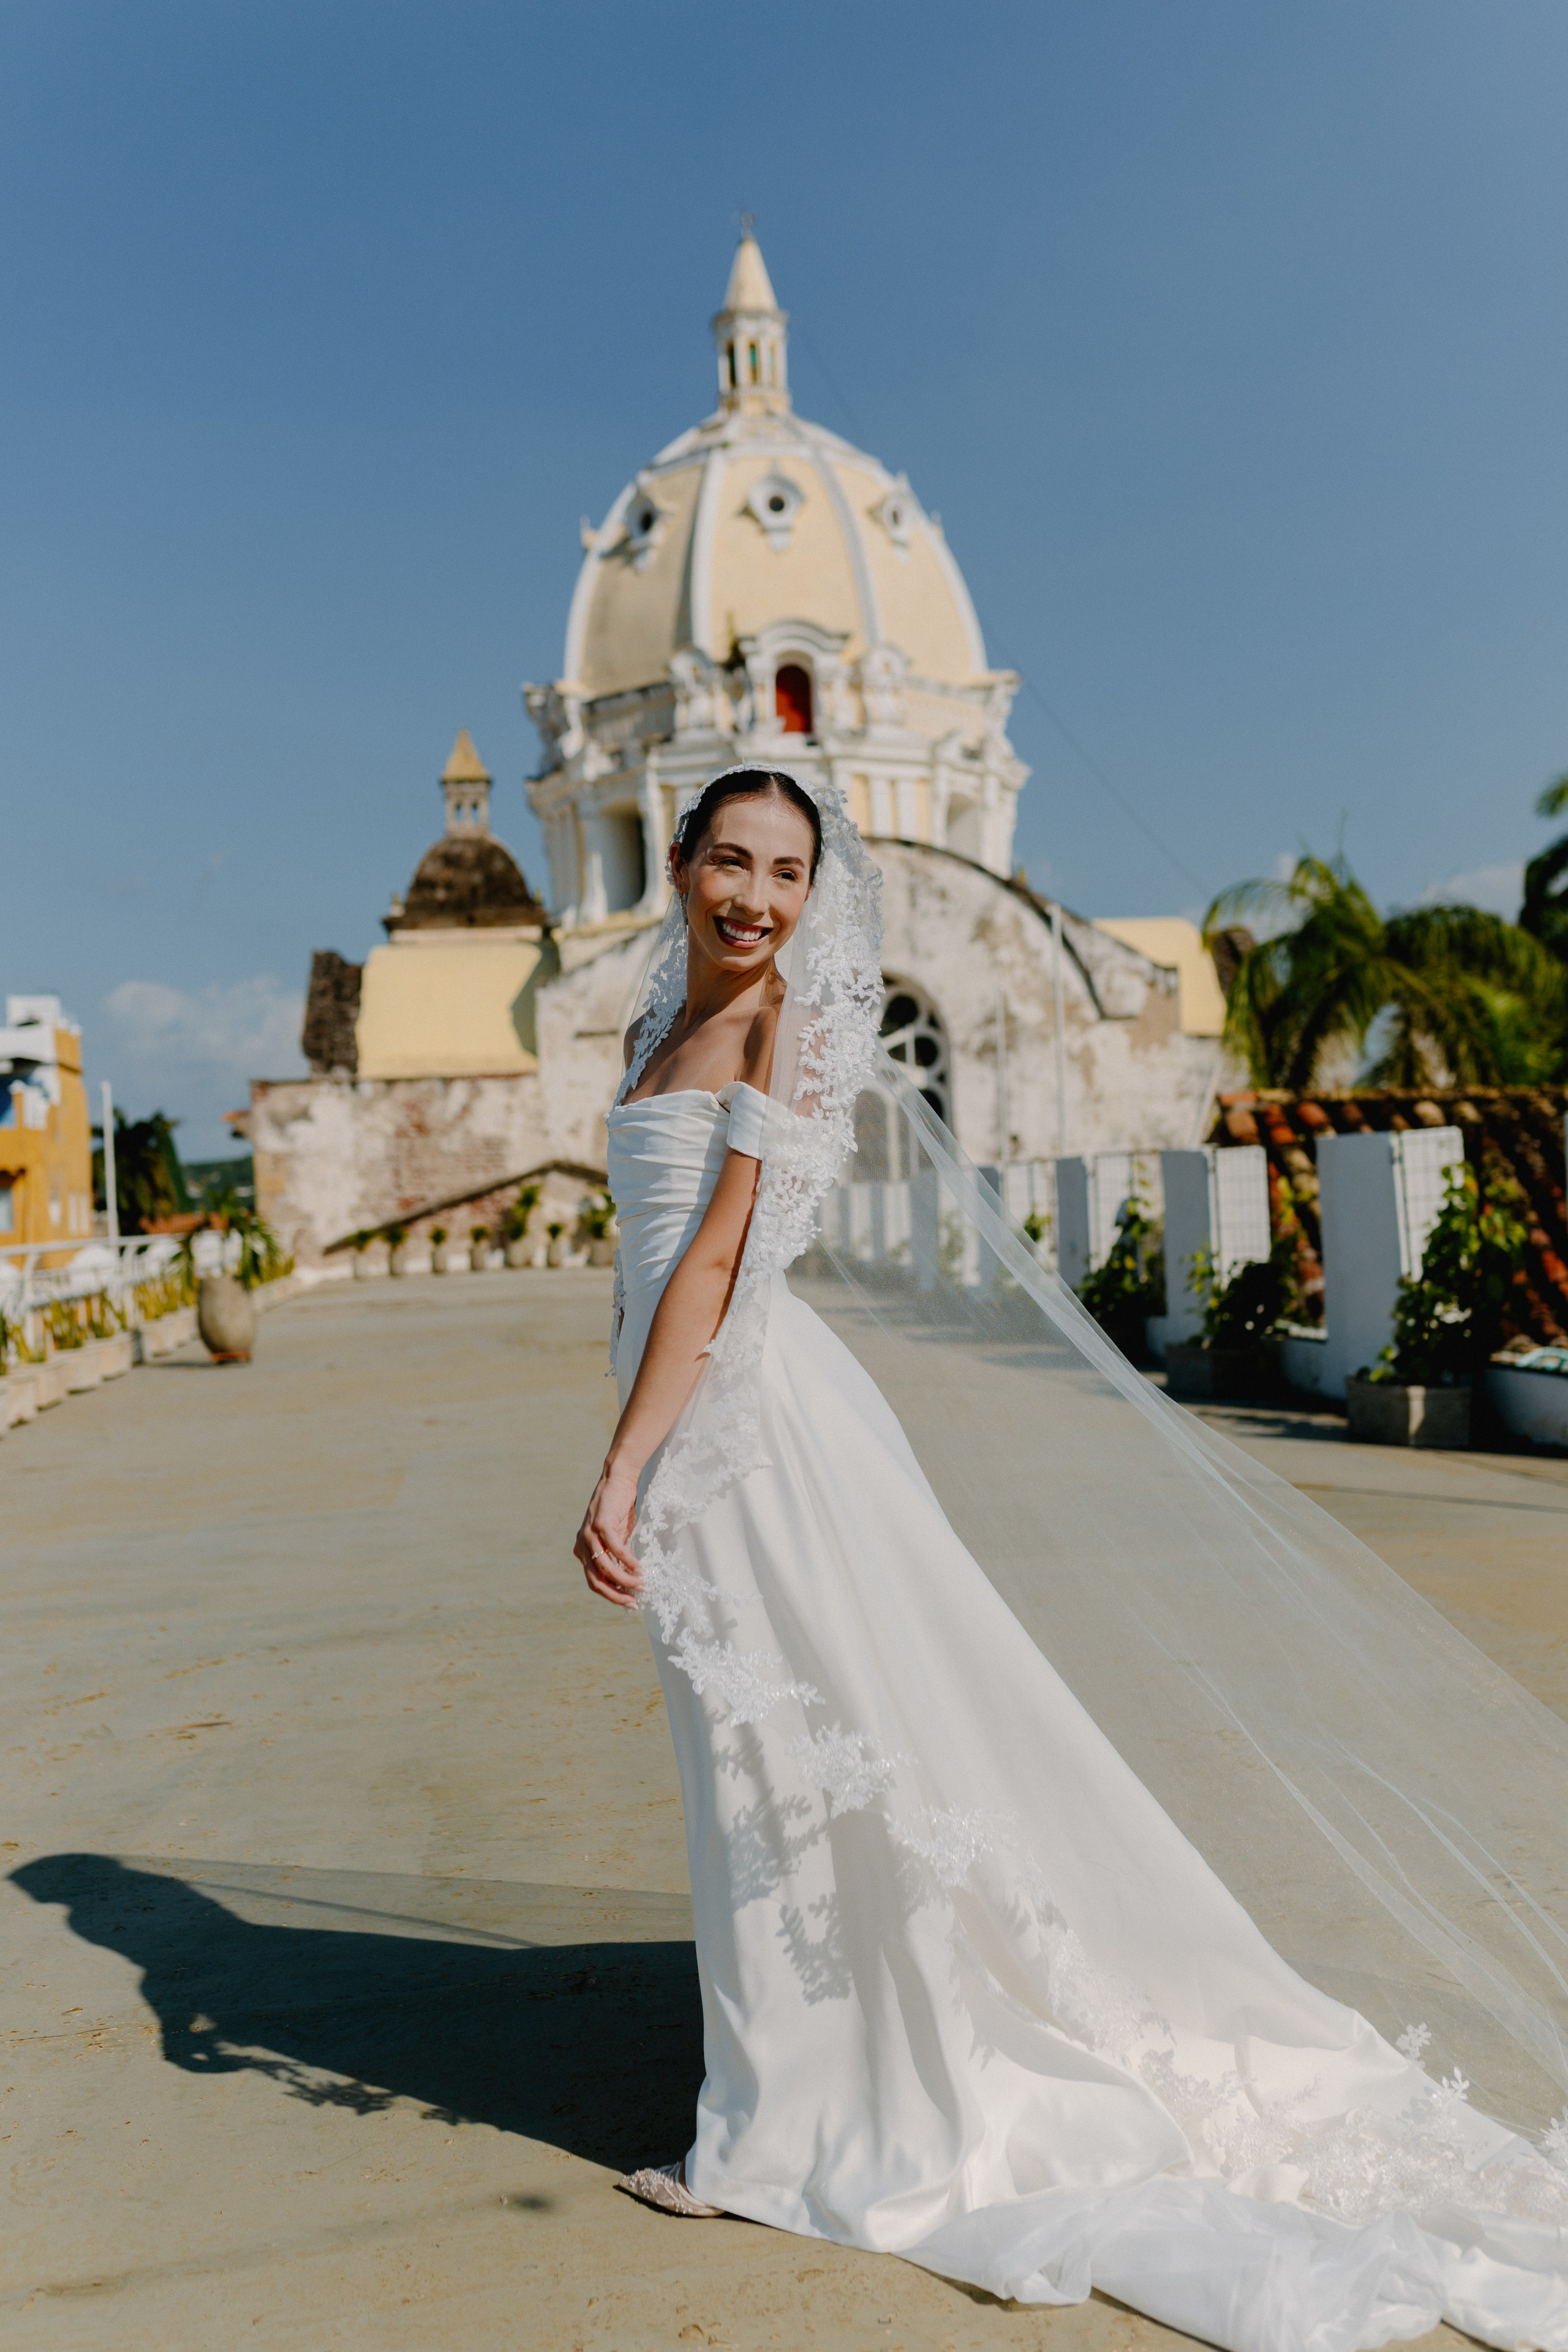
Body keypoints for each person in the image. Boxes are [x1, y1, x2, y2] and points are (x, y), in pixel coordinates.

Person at [574, 764, 1568, 2352]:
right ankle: (776, 2100)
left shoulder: (781, 1030)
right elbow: (642, 1262)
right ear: (679, 861)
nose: (756, 897)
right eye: (731, 862)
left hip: (748, 1427)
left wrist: (628, 1462)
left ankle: (777, 2132)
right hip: (694, 1417)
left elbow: (716, 1257)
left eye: (787, 873)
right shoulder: (649, 1031)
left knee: (797, 1748)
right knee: (745, 1753)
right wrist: (632, 1430)